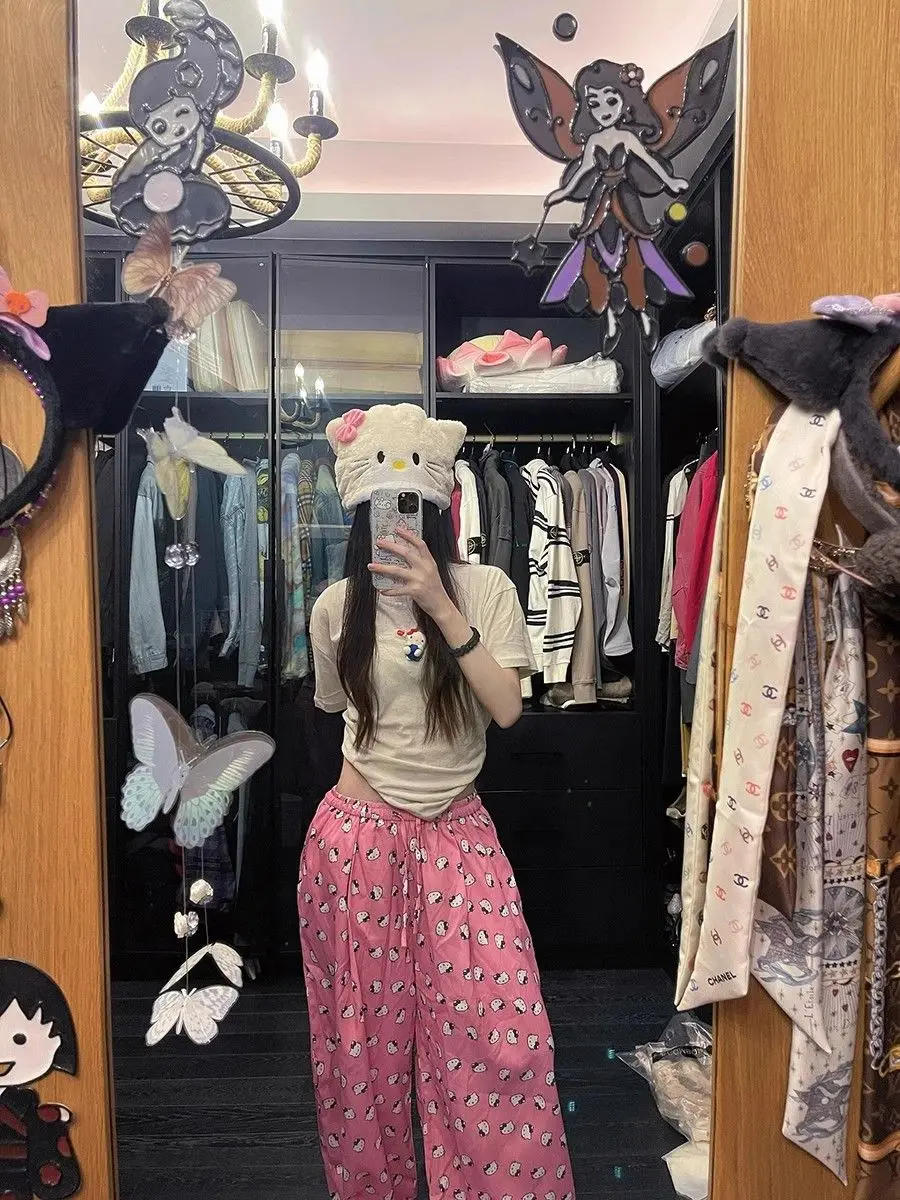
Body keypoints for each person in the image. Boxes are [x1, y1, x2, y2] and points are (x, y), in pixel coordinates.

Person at [299, 403, 574, 1200]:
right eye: (385, 505)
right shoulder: (334, 607)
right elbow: (338, 710)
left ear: (441, 504)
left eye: (414, 503)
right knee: (361, 1056)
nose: (400, 517)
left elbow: (507, 708)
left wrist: (440, 605)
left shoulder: (486, 589)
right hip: (356, 843)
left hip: (459, 835)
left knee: (505, 1040)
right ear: (361, 511)